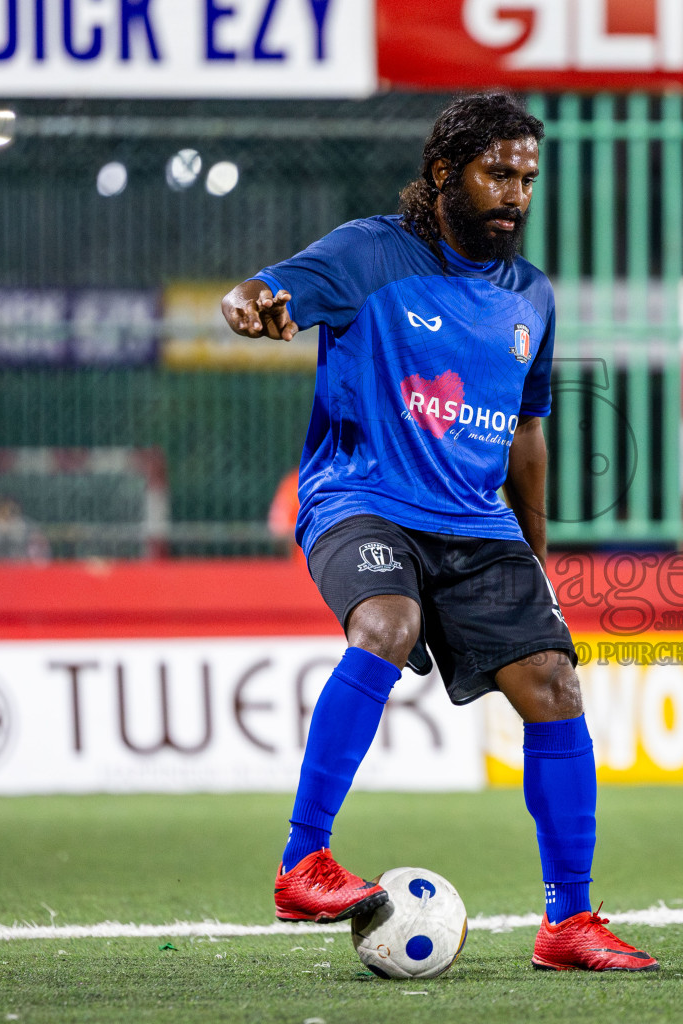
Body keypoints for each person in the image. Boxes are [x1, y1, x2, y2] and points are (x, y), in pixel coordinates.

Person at [219, 93, 656, 972]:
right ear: (443, 173)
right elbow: (268, 290)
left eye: (527, 176)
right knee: (387, 625)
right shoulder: (369, 253)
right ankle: (303, 860)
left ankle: (569, 923)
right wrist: (251, 304)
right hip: (362, 497)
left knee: (555, 684)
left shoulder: (531, 293)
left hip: (476, 524)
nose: (516, 192)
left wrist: (535, 553)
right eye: (498, 172)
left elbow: (528, 431)